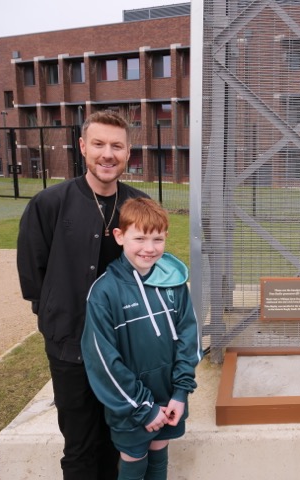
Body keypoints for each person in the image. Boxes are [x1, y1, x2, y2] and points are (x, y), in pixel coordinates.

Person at [17, 110, 149, 479]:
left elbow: (152, 266)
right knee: (79, 444)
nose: (108, 154)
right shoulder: (50, 203)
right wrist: (54, 319)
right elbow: (33, 272)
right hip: (69, 345)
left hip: (123, 348)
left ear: (128, 153)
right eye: (99, 144)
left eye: (117, 146)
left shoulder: (137, 205)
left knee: (115, 438)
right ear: (83, 147)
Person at [81, 197, 201, 480]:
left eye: (157, 239)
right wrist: (143, 408)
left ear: (166, 238)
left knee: (160, 453)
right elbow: (103, 362)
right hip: (130, 404)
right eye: (141, 238)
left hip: (170, 398)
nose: (149, 248)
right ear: (120, 236)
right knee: (135, 459)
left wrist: (180, 393)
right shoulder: (104, 293)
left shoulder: (174, 281)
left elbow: (189, 337)